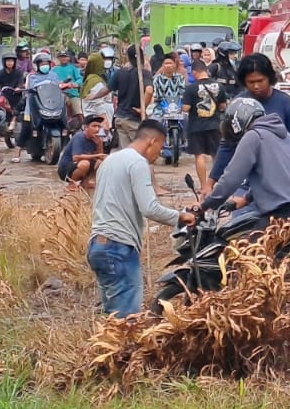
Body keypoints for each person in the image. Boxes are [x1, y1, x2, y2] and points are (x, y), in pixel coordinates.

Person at [87, 121, 196, 317]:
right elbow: (150, 208)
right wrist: (181, 216)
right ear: (152, 141)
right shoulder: (138, 163)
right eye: (161, 147)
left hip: (98, 246)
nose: (159, 154)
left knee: (112, 320)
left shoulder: (110, 160)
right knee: (127, 322)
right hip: (119, 248)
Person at [200, 97, 290, 229]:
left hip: (284, 213)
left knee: (242, 247)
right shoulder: (284, 135)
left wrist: (205, 205)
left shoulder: (253, 136)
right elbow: (277, 175)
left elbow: (231, 179)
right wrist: (247, 198)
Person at [226, 53, 290, 196]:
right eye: (251, 82)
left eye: (260, 80)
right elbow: (227, 144)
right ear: (244, 82)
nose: (256, 86)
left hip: (281, 182)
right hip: (245, 182)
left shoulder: (287, 105)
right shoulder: (237, 106)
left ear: (270, 78)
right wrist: (211, 181)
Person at [183, 60, 227, 192]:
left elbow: (186, 108)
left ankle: (203, 186)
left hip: (196, 126)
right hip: (214, 125)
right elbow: (223, 106)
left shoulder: (191, 88)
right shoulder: (219, 86)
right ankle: (216, 185)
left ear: (194, 72)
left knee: (199, 155)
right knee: (216, 155)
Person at [110, 48, 150, 148]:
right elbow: (149, 91)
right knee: (140, 150)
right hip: (134, 119)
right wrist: (143, 108)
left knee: (126, 151)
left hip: (120, 117)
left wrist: (92, 96)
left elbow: (107, 89)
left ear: (128, 57)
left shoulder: (120, 73)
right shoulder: (145, 73)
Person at [60, 115, 109, 187]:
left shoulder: (96, 139)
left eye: (99, 127)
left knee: (100, 162)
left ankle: (85, 182)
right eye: (94, 126)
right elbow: (76, 157)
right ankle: (72, 183)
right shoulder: (79, 137)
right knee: (85, 163)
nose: (97, 129)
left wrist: (99, 144)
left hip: (81, 165)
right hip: (66, 169)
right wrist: (97, 156)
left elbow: (100, 157)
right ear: (86, 128)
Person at [150, 55, 185, 120]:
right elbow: (155, 94)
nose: (168, 65)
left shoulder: (180, 78)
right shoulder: (157, 79)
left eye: (170, 63)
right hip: (160, 109)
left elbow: (183, 92)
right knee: (154, 121)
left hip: (177, 108)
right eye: (166, 63)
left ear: (174, 65)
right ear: (162, 66)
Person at [54, 50, 84, 118]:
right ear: (58, 58)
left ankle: (81, 125)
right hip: (59, 95)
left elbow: (80, 79)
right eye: (61, 57)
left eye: (65, 56)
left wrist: (75, 84)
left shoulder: (73, 68)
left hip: (72, 94)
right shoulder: (54, 70)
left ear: (68, 58)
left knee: (78, 112)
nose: (63, 58)